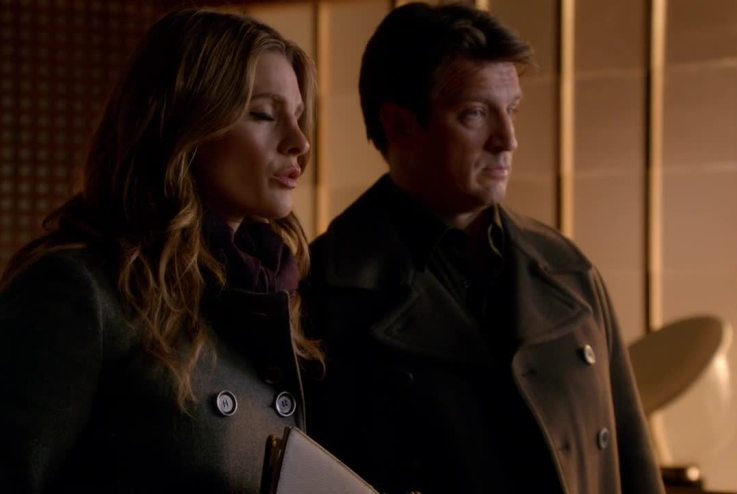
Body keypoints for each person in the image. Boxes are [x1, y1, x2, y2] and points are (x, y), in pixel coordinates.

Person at [305, 3, 665, 493]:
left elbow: (633, 461)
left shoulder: (566, 267)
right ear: (400, 125)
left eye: (511, 110)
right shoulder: (324, 292)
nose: (508, 139)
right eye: (475, 114)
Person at [0, 8, 322, 492]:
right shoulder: (77, 289)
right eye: (263, 114)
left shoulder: (267, 294)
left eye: (297, 116)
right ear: (184, 126)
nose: (299, 142)